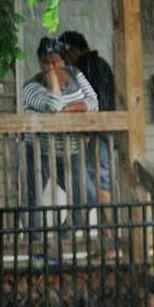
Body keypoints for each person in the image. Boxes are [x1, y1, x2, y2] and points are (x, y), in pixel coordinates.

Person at [20, 37, 100, 211]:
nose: (50, 67)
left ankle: (65, 233)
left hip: (70, 150)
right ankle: (33, 238)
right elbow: (55, 107)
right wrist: (53, 81)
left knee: (89, 197)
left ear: (63, 60)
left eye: (54, 62)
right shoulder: (31, 86)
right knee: (33, 203)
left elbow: (94, 102)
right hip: (39, 151)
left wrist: (71, 108)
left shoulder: (75, 75)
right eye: (45, 62)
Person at [59, 31, 115, 206]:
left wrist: (88, 128)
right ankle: (103, 225)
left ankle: (104, 225)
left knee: (95, 176)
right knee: (97, 176)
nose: (64, 59)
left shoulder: (84, 67)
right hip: (104, 129)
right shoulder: (101, 64)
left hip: (95, 131)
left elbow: (91, 100)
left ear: (74, 49)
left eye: (65, 53)